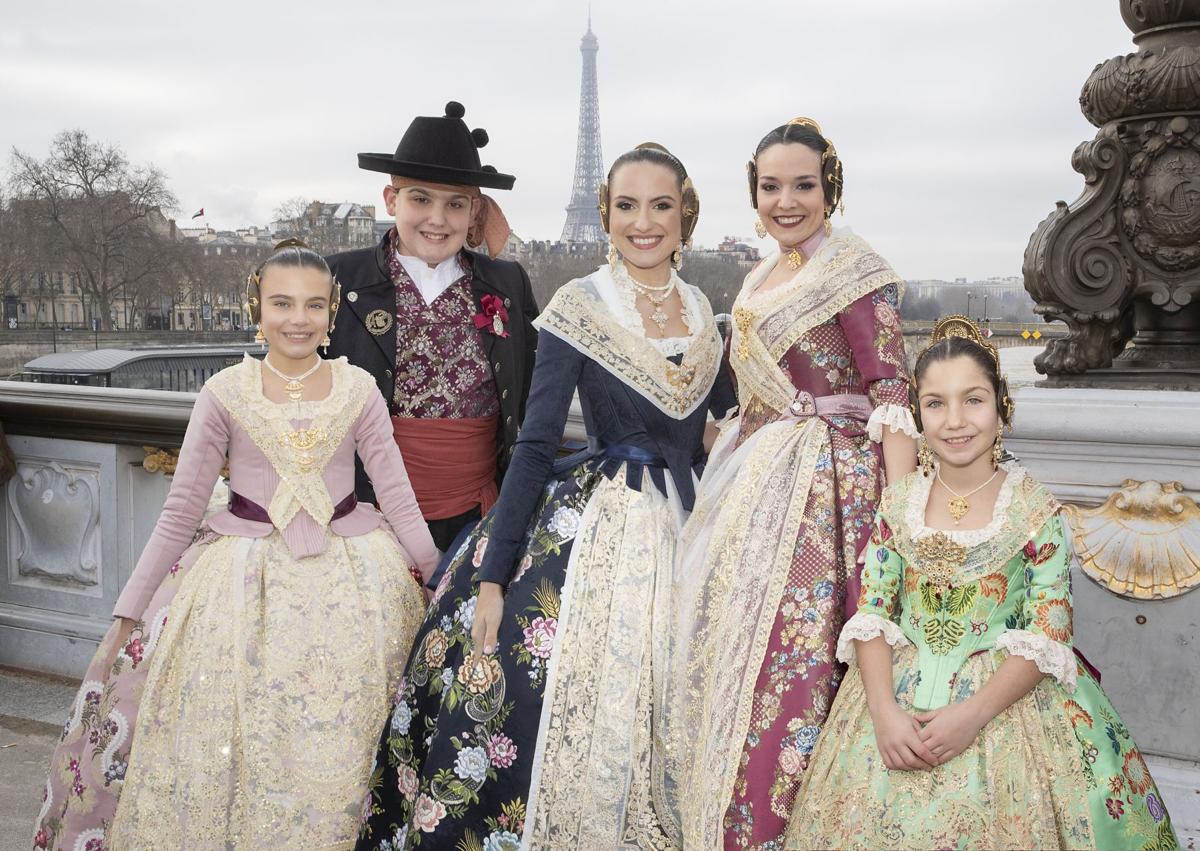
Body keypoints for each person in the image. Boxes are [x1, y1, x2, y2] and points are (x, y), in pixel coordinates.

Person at [356, 143, 736, 850]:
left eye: (661, 205)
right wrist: (495, 575)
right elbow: (533, 445)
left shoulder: (704, 307)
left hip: (692, 530)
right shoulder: (580, 304)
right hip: (607, 532)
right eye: (626, 205)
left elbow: (726, 421)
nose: (643, 221)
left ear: (685, 216)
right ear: (606, 214)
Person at [32, 241, 438, 850]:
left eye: (312, 305)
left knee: (348, 732)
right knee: (246, 728)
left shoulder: (360, 388)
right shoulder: (224, 391)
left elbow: (397, 494)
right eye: (281, 303)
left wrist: (438, 579)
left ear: (332, 313)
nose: (297, 319)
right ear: (257, 307)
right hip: (240, 585)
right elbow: (181, 510)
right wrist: (129, 609)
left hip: (357, 580)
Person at [785, 316, 1178, 850]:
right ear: (919, 415)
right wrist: (883, 714)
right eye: (935, 403)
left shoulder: (1035, 508)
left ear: (1001, 405)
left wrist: (971, 716)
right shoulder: (898, 504)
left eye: (972, 400)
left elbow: (1048, 633)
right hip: (893, 701)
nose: (955, 421)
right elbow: (873, 613)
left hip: (1002, 707)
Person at [655, 117, 918, 849]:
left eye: (803, 184)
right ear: (754, 192)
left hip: (832, 494)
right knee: (741, 657)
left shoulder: (857, 270)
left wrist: (902, 523)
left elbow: (892, 397)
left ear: (829, 187)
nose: (786, 200)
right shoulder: (758, 276)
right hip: (759, 483)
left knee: (801, 660)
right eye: (771, 186)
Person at [327, 101, 538, 552]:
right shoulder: (337, 280)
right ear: (391, 200)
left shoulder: (508, 282)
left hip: (478, 513)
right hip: (365, 513)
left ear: (474, 211)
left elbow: (536, 384)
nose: (437, 219)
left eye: (455, 204)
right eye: (420, 199)